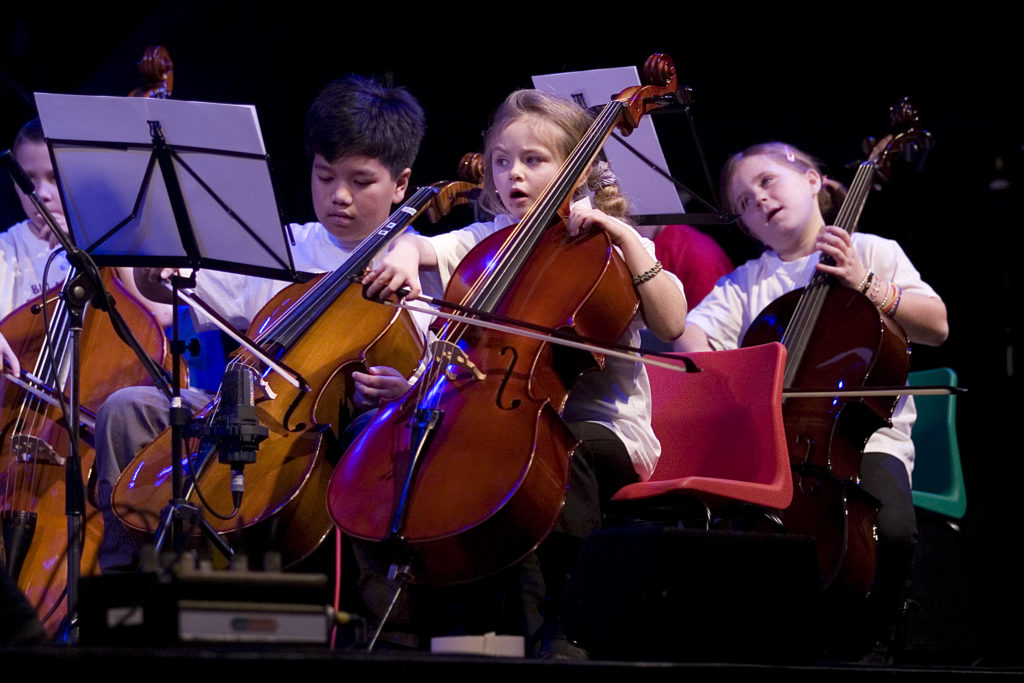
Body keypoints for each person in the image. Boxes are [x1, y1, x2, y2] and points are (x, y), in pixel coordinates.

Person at [362, 89, 688, 654]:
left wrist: (628, 238)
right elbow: (418, 247)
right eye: (501, 161)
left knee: (560, 449)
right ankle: (440, 616)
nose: (513, 175)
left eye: (534, 160)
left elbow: (673, 319)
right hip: (499, 420)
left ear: (576, 168)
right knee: (411, 446)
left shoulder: (602, 247)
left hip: (603, 430)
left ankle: (569, 621)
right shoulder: (484, 243)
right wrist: (400, 251)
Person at [94, 74, 429, 571]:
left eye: (360, 182)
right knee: (127, 408)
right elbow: (170, 292)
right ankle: (128, 580)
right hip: (243, 412)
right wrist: (157, 263)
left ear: (401, 184)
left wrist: (405, 390)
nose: (339, 195)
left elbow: (439, 381)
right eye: (324, 176)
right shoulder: (282, 248)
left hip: (332, 435)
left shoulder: (416, 267)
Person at [676, 141, 948, 658]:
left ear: (813, 180)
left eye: (767, 182)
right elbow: (692, 342)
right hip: (773, 443)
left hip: (865, 439)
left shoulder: (872, 251)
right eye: (744, 204)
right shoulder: (744, 283)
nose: (758, 202)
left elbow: (936, 326)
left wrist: (866, 285)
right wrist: (683, 332)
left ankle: (875, 643)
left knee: (888, 530)